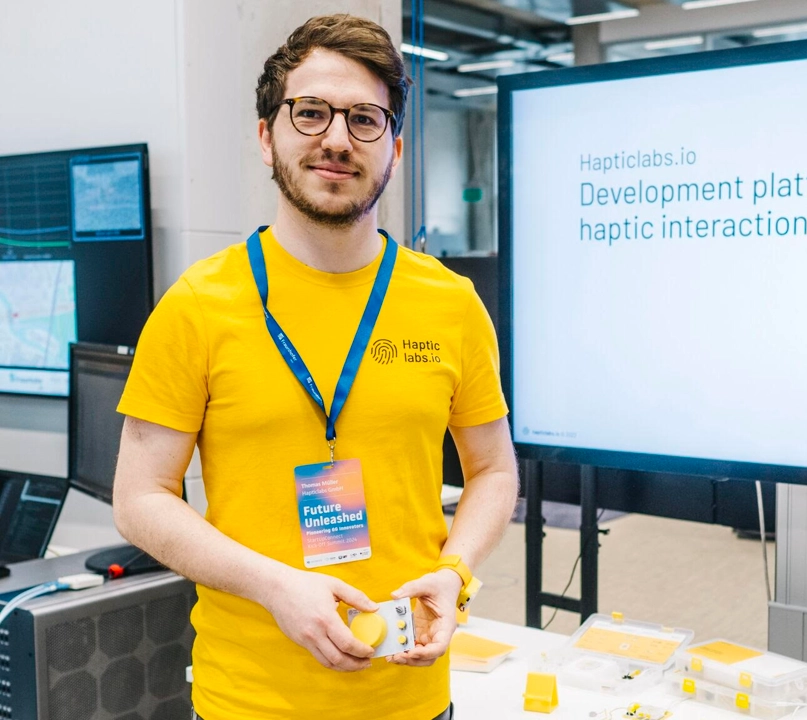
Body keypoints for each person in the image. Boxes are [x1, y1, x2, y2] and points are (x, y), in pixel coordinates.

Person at [112, 14, 518, 720]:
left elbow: (493, 470)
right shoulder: (198, 306)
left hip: (413, 697)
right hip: (250, 700)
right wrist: (273, 584)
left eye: (365, 119)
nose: (337, 138)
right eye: (311, 113)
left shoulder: (451, 305)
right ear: (267, 136)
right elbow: (140, 497)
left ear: (394, 144)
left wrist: (455, 575)